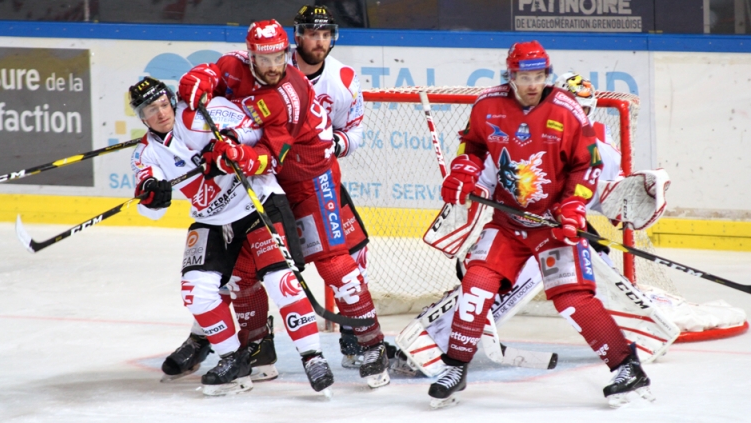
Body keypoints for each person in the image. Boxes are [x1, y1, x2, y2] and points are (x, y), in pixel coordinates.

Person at [427, 41, 654, 409]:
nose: (532, 84)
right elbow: (472, 147)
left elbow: (588, 166)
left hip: (552, 224)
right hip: (507, 221)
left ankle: (627, 367)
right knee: (477, 284)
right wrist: (464, 172)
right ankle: (455, 367)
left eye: (539, 76)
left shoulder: (567, 112)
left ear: (547, 75)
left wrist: (573, 206)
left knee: (573, 299)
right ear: (510, 75)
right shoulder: (487, 105)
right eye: (524, 77)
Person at [176, 18, 390, 388]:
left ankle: (372, 344)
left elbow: (268, 157)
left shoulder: (287, 93)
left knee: (334, 264)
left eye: (278, 56)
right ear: (251, 55)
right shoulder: (235, 66)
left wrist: (236, 157)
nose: (274, 66)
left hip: (310, 180)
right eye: (264, 58)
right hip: (266, 185)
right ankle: (257, 349)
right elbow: (212, 73)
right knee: (243, 268)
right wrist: (198, 79)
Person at [127, 76, 334, 395]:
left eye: (163, 104)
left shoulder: (199, 114)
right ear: (142, 117)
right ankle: (231, 360)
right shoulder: (146, 153)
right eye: (150, 110)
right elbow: (148, 205)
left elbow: (254, 130)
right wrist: (153, 195)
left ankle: (313, 357)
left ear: (171, 100)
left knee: (282, 283)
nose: (160, 113)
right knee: (196, 291)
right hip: (212, 220)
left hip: (258, 201)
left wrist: (229, 145)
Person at [289, 4, 394, 370]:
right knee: (251, 262)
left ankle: (353, 332)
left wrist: (332, 144)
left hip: (319, 180)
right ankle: (240, 339)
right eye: (312, 34)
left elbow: (355, 132)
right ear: (298, 35)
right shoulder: (275, 68)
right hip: (273, 180)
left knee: (356, 251)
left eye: (325, 35)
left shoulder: (344, 79)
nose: (319, 42)